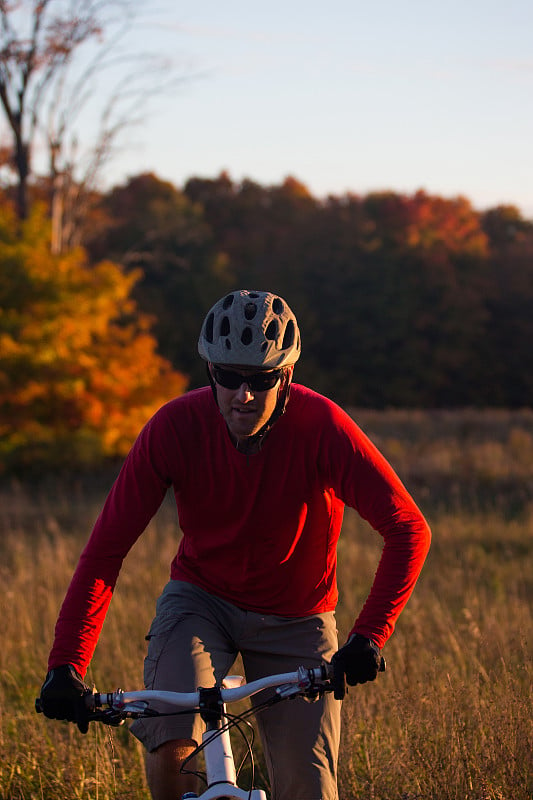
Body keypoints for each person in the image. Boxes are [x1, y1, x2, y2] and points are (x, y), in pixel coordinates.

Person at [39, 289, 431, 800]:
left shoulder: (323, 428)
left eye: (260, 380)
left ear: (285, 377)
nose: (242, 395)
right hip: (201, 602)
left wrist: (368, 637)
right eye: (227, 377)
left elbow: (408, 529)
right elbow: (105, 552)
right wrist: (66, 663)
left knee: (307, 786)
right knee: (173, 741)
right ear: (210, 373)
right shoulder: (173, 428)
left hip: (298, 617)